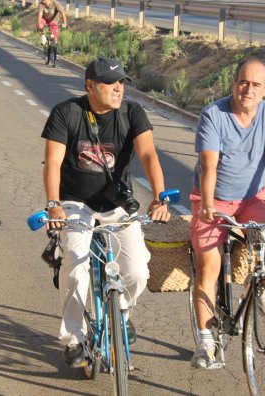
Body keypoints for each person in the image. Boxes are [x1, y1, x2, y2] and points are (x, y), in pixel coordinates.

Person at [41, 57, 170, 368]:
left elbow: (149, 154)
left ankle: (122, 310)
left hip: (116, 204)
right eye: (111, 83)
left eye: (122, 82)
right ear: (90, 86)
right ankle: (73, 337)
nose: (119, 88)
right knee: (74, 263)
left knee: (138, 270)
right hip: (75, 204)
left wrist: (159, 197)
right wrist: (53, 203)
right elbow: (53, 163)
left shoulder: (131, 113)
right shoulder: (66, 113)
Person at [189, 57, 265, 369]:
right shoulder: (213, 114)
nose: (248, 89)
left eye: (256, 84)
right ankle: (205, 343)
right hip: (212, 199)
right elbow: (209, 163)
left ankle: (259, 290)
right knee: (209, 265)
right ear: (234, 83)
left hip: (252, 198)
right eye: (243, 82)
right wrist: (206, 204)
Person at [35, 0, 67, 67]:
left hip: (54, 20)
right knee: (39, 25)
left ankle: (54, 52)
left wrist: (64, 22)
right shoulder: (41, 4)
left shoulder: (55, 3)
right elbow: (40, 15)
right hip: (44, 19)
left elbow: (62, 12)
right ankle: (43, 38)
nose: (42, 1)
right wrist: (39, 24)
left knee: (54, 38)